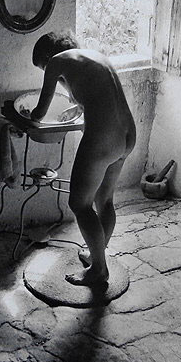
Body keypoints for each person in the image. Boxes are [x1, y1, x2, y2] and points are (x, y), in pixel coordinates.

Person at [29, 31, 136, 286]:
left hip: (104, 139)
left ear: (48, 57)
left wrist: (19, 116)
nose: (55, 77)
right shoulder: (94, 56)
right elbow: (99, 95)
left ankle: (98, 269)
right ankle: (96, 254)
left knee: (79, 204)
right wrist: (76, 107)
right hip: (127, 134)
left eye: (44, 68)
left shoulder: (56, 62)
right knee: (104, 200)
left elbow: (39, 113)